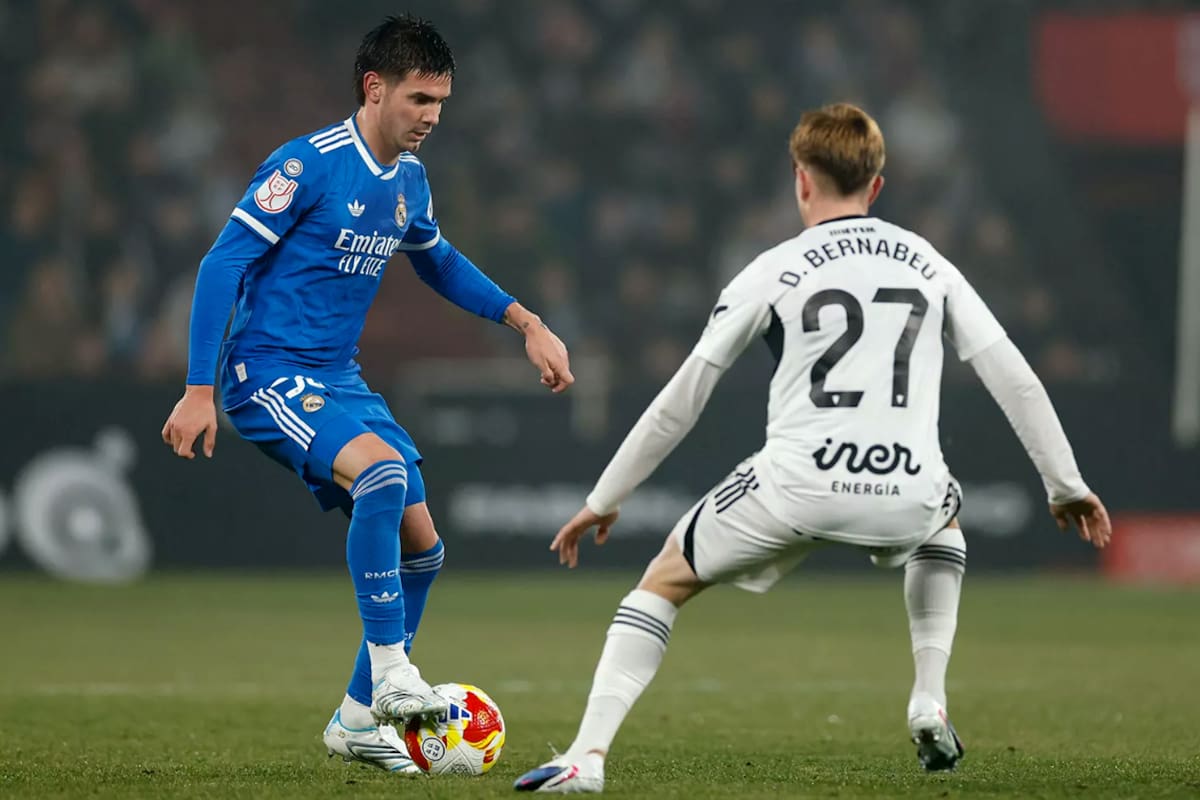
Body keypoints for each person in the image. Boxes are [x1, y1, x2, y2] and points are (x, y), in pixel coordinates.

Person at [514, 103, 1110, 794]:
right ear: (877, 186)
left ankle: (587, 756)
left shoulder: (771, 270)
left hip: (795, 487)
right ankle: (928, 697)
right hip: (906, 490)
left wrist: (603, 499)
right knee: (946, 515)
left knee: (664, 581)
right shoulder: (930, 263)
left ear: (800, 180)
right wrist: (1065, 484)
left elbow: (685, 396)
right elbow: (1015, 377)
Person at [160, 15, 573, 775]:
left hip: (339, 377)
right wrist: (197, 389)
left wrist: (526, 322)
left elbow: (438, 261)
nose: (432, 117)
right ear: (374, 88)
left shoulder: (408, 181)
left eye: (442, 103)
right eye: (419, 99)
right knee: (382, 474)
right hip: (268, 370)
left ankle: (355, 719)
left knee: (425, 548)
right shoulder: (307, 165)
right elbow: (223, 264)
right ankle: (391, 675)